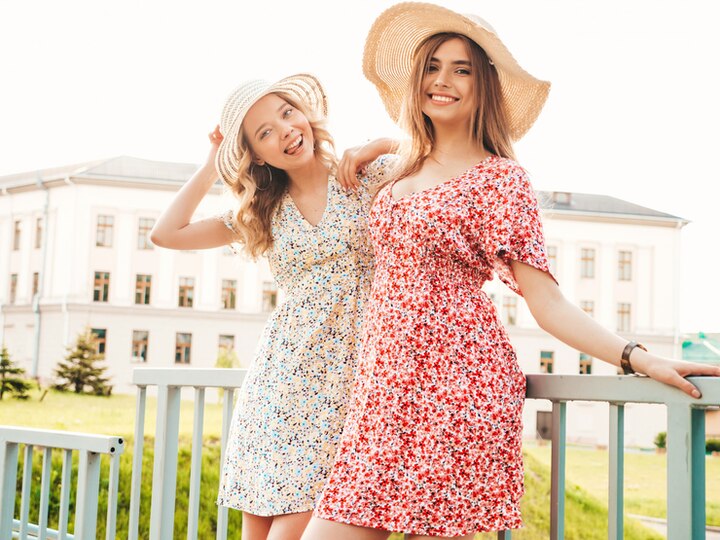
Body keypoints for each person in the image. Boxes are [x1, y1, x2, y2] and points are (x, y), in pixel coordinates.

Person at [303, 3, 720, 540]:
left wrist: (636, 356)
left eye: (462, 69)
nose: (443, 81)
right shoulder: (400, 166)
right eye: (432, 67)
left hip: (456, 385)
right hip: (382, 391)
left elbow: (545, 301)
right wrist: (383, 143)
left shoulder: (502, 180)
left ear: (485, 86)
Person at [150, 74, 392, 540]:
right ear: (256, 154)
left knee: (299, 524)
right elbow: (167, 233)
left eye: (286, 113)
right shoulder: (261, 208)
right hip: (281, 379)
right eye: (263, 132)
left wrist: (377, 143)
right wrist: (211, 163)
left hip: (347, 379)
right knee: (257, 528)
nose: (284, 131)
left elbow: (435, 157)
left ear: (305, 114)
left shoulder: (364, 175)